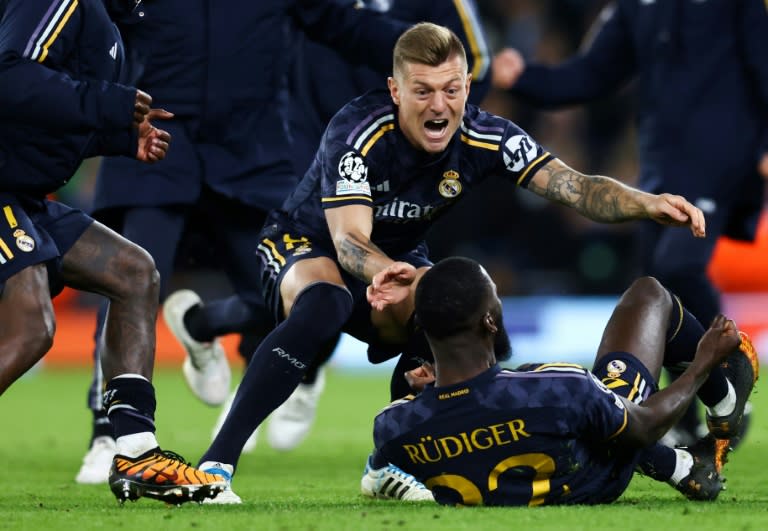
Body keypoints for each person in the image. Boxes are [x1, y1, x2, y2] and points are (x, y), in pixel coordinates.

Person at [191, 22, 744, 505]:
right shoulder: (358, 133)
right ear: (395, 89)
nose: (439, 106)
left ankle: (388, 462)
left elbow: (574, 187)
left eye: (451, 90)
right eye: (423, 91)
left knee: (444, 309)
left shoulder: (487, 138)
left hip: (397, 257)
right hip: (303, 243)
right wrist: (384, 269)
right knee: (327, 303)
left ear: (466, 89)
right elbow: (348, 239)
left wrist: (646, 203)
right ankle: (217, 465)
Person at [74, 0, 414, 484]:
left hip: (250, 148)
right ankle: (108, 433)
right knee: (129, 285)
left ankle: (202, 326)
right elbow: (88, 26)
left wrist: (418, 47)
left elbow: (342, 23)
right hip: (157, 136)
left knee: (291, 293)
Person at [190, 0, 496, 456]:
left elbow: (475, 62)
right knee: (301, 292)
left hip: (396, 157)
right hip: (302, 146)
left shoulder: (435, 17)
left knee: (396, 299)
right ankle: (231, 345)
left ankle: (325, 390)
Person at [491, 0, 768, 445]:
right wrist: (523, 78)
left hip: (720, 156)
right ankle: (687, 419)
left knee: (679, 268)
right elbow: (591, 74)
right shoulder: (636, 6)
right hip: (660, 164)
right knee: (659, 289)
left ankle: (730, 383)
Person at [0, 0, 227, 504]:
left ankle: (137, 452)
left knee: (133, 272)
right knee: (31, 327)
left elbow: (46, 117)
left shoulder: (110, 22)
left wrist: (122, 138)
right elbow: (9, 77)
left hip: (25, 194)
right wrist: (109, 105)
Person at [361, 256, 759, 506]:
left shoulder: (394, 426)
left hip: (501, 475)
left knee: (544, 404)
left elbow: (469, 413)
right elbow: (644, 427)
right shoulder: (560, 387)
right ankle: (722, 405)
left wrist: (434, 393)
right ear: (490, 320)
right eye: (495, 297)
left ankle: (677, 464)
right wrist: (702, 363)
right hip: (591, 478)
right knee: (649, 295)